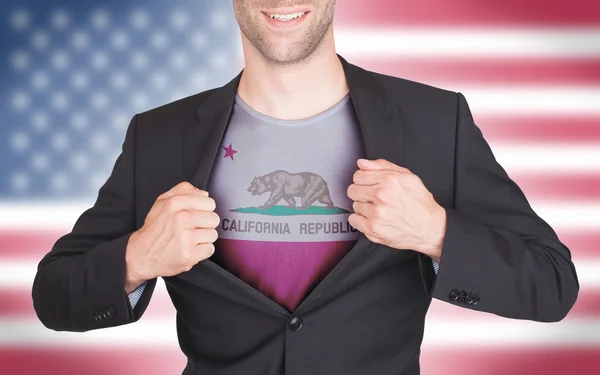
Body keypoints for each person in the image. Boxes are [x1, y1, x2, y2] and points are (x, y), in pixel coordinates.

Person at [32, 1, 579, 374]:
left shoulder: (435, 121)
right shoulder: (159, 136)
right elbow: (54, 294)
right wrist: (137, 257)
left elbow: (552, 283)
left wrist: (437, 233)